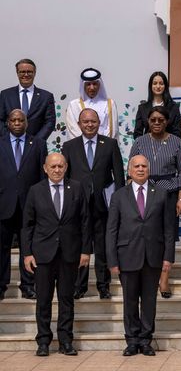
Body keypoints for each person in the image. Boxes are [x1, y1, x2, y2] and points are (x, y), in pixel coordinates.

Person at [21, 153, 90, 357]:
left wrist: (85, 251)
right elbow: (27, 226)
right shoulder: (35, 191)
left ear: (66, 167)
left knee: (66, 299)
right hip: (43, 255)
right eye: (53, 167)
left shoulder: (77, 188)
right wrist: (27, 254)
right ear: (45, 168)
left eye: (60, 166)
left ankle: (66, 341)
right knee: (43, 300)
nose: (57, 170)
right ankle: (43, 341)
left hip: (70, 254)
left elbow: (85, 222)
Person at [106, 155, 176, 357]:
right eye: (136, 166)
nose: (140, 169)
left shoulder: (161, 194)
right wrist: (112, 260)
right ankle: (132, 340)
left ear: (149, 169)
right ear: (129, 170)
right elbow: (111, 230)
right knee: (129, 301)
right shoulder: (118, 196)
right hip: (126, 256)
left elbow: (169, 229)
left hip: (153, 256)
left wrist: (168, 257)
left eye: (144, 166)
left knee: (148, 301)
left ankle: (146, 340)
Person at [62, 108, 125, 299]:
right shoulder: (69, 146)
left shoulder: (110, 144)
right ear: (79, 124)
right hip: (78, 206)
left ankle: (103, 285)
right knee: (80, 245)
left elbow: (119, 175)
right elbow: (64, 178)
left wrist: (119, 202)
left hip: (102, 205)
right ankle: (79, 286)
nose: (89, 125)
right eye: (85, 121)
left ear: (99, 123)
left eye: (93, 121)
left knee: (103, 246)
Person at [129, 106, 181, 298]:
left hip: (168, 193)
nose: (156, 123)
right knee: (145, 232)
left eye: (160, 120)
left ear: (166, 122)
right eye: (153, 120)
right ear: (148, 121)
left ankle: (164, 277)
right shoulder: (139, 142)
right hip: (144, 193)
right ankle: (144, 271)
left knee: (168, 234)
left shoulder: (177, 142)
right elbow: (130, 169)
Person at [0, 109, 46, 300]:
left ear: (26, 123)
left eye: (21, 120)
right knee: (2, 248)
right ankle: (1, 285)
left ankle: (27, 285)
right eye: (14, 120)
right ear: (8, 123)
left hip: (29, 205)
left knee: (28, 248)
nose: (17, 123)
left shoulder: (38, 144)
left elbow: (43, 177)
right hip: (4, 204)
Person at [0, 58, 55, 141]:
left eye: (29, 72)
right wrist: (10, 139)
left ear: (34, 73)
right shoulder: (5, 95)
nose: (26, 74)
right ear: (17, 73)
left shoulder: (46, 97)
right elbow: (0, 120)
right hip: (9, 146)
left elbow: (49, 122)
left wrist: (35, 142)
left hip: (36, 147)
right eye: (22, 72)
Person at [65, 68, 119, 140]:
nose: (92, 88)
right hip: (81, 148)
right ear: (83, 85)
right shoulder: (74, 105)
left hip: (105, 147)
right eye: (88, 84)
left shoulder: (109, 104)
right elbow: (74, 130)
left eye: (94, 84)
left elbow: (113, 129)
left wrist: (102, 146)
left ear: (99, 85)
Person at [133, 71, 181, 138]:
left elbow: (177, 133)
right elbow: (137, 133)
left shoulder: (174, 107)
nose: (158, 86)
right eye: (155, 83)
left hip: (168, 146)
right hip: (148, 147)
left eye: (161, 83)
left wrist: (169, 145)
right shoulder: (142, 108)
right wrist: (144, 146)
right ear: (150, 86)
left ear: (165, 86)